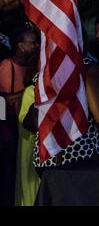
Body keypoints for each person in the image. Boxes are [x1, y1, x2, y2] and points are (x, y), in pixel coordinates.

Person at [0, 25, 40, 206]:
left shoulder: (31, 66)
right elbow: (3, 100)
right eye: (33, 42)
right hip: (11, 129)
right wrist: (28, 93)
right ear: (20, 45)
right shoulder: (7, 65)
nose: (37, 45)